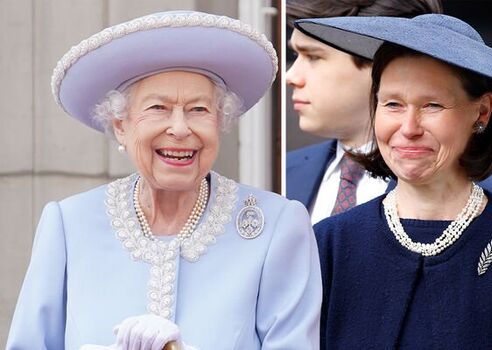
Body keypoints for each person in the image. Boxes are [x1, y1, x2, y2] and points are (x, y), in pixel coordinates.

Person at [7, 11, 321, 350]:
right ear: (120, 125)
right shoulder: (69, 224)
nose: (181, 128)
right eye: (158, 108)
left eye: (198, 110)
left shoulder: (277, 226)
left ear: (220, 122)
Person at [294, 14, 492, 349]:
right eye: (392, 104)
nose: (409, 127)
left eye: (431, 105)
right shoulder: (331, 243)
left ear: (481, 113)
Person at [285, 0, 492, 224]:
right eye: (296, 55)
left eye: (313, 56)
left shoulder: (490, 200)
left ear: (378, 55)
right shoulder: (283, 175)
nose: (291, 76)